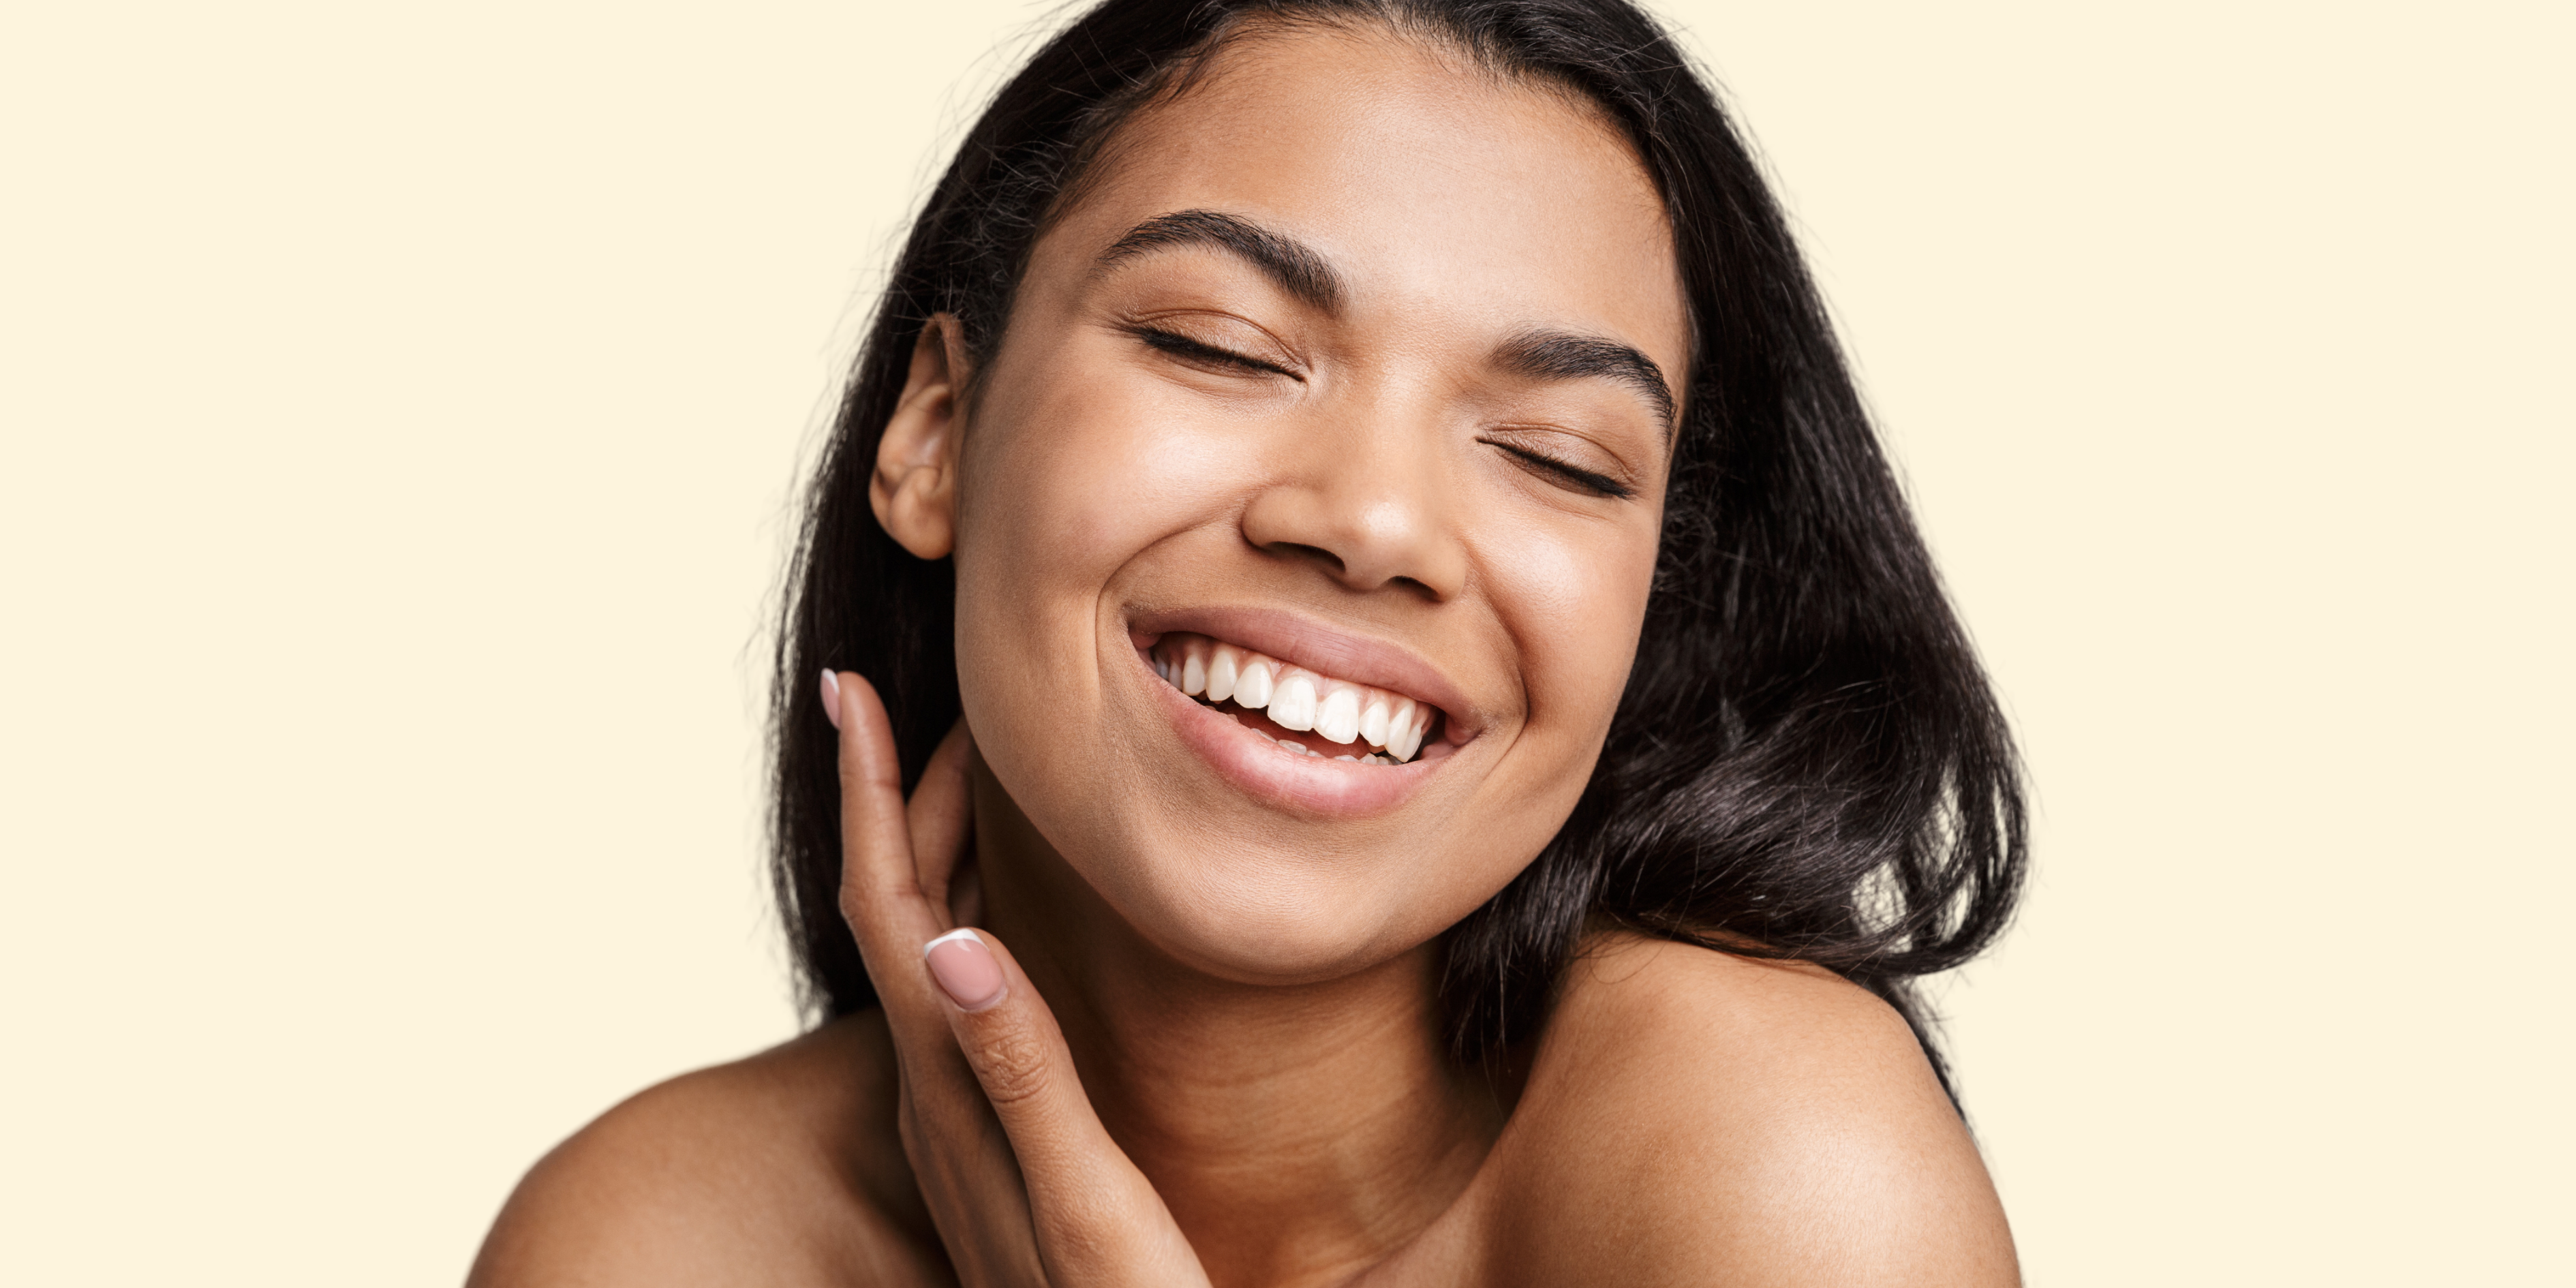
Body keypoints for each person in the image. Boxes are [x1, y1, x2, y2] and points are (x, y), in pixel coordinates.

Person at [469, 0, 2027, 1282]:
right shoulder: (661, 1242)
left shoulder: (1775, 1167)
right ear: (940, 429)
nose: (1373, 524)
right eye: (1220, 347)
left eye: (1560, 456)